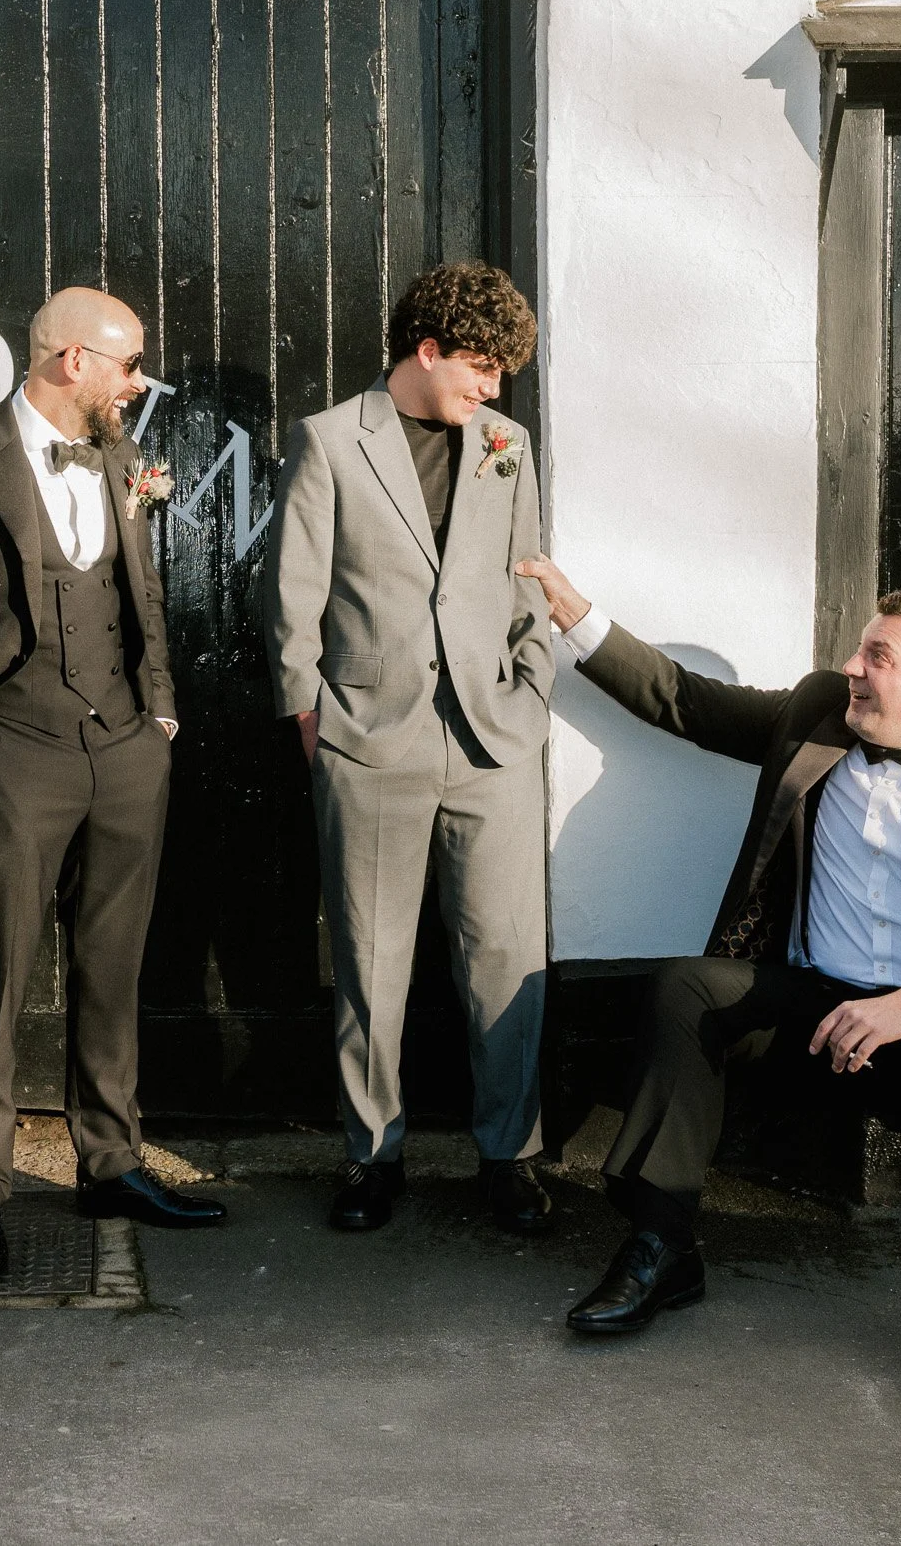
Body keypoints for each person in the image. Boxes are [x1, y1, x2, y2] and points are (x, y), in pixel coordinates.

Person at [517, 560, 901, 1404]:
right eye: (858, 652)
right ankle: (662, 1246)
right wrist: (575, 615)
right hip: (815, 1015)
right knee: (686, 988)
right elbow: (686, 701)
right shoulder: (819, 712)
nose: (852, 668)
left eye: (877, 657)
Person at [0, 286, 227, 1281]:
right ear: (71, 361)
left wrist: (157, 715)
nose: (139, 379)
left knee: (113, 970)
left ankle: (110, 1161)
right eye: (127, 362)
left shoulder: (117, 456)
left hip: (124, 751)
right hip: (9, 749)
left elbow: (140, 593)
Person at [261, 262, 556, 1235]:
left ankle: (509, 1158)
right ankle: (369, 1155)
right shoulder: (331, 441)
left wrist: (531, 689)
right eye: (479, 366)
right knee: (369, 958)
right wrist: (308, 712)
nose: (493, 387)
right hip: (366, 735)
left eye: (503, 371)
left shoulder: (507, 445)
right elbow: (294, 589)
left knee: (504, 955)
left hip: (492, 740)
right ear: (424, 351)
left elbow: (524, 584)